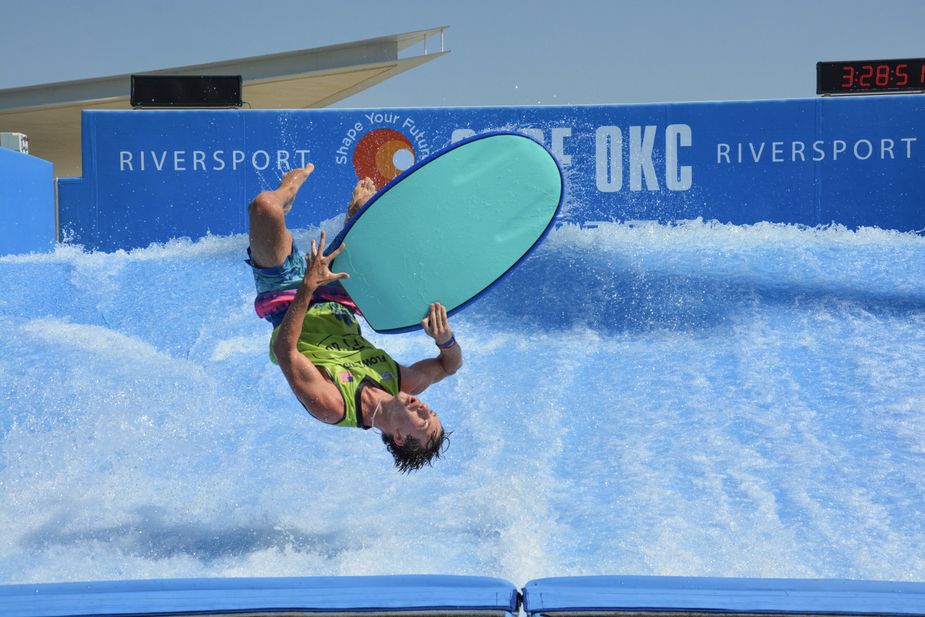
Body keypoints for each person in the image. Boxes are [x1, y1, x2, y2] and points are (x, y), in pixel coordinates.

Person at [245, 163, 462, 473]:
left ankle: (287, 196)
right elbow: (449, 365)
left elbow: (285, 351)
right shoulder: (401, 382)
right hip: (337, 295)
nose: (425, 408)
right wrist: (445, 340)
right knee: (370, 213)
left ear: (399, 436)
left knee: (264, 206)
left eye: (422, 420)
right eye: (433, 412)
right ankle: (354, 219)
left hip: (287, 300)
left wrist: (307, 286)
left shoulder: (332, 405)